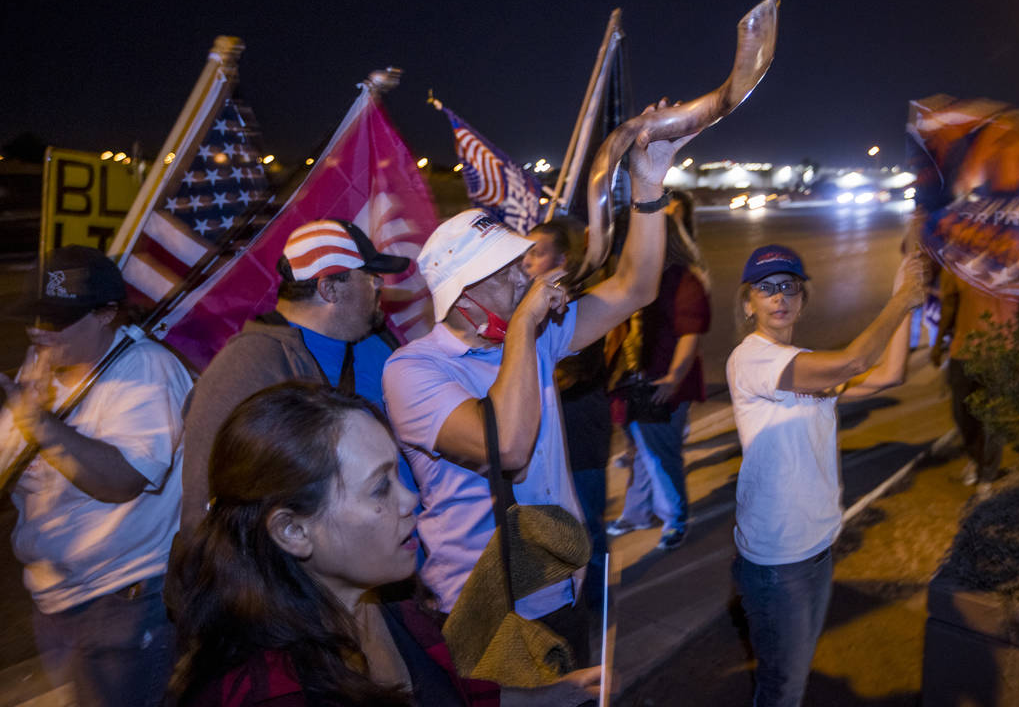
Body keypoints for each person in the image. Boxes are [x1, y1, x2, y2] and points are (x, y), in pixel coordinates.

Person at [384, 101, 693, 662]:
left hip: (557, 585)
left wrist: (648, 184)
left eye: (519, 263)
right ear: (463, 293)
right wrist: (526, 324)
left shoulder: (530, 341)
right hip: (483, 606)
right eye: (504, 270)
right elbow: (507, 445)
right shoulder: (413, 370)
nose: (522, 274)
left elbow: (635, 287)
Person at [167, 382, 601, 706]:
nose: (410, 499)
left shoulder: (389, 600)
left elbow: (453, 695)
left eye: (399, 475)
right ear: (293, 531)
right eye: (380, 488)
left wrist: (557, 695)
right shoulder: (276, 693)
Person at [727, 244, 926, 707]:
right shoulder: (750, 358)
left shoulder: (805, 362)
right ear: (747, 303)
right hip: (778, 563)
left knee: (791, 679)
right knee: (783, 689)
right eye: (766, 288)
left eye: (789, 287)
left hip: (816, 550)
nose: (779, 297)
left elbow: (889, 373)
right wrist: (900, 303)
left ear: (802, 300)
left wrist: (904, 291)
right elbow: (855, 362)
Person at [0, 246, 192, 707]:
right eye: (34, 316)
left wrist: (40, 424)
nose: (37, 331)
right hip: (55, 599)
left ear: (106, 313)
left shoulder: (146, 370)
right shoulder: (41, 364)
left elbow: (122, 480)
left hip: (125, 601)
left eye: (56, 319)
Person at [181, 219, 414, 534]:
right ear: (329, 288)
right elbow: (209, 500)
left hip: (402, 561)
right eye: (371, 277)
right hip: (307, 575)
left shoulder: (381, 343)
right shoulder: (248, 364)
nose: (380, 286)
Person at [607, 190, 711, 551]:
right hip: (635, 381)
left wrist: (674, 378)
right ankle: (636, 513)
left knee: (661, 454)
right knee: (641, 451)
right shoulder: (638, 277)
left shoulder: (682, 279)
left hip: (665, 384)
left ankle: (675, 520)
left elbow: (689, 333)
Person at [522, 217, 611, 608]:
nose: (526, 262)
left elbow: (578, 371)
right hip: (553, 432)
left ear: (562, 258)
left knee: (587, 522)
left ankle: (594, 603)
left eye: (536, 253)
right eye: (524, 254)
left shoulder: (572, 303)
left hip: (580, 429)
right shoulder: (530, 302)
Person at [929, 269, 1018, 488]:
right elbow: (949, 304)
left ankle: (986, 477)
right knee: (963, 414)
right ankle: (978, 462)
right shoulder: (958, 261)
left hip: (1002, 352)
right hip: (964, 351)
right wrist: (939, 342)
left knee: (993, 419)